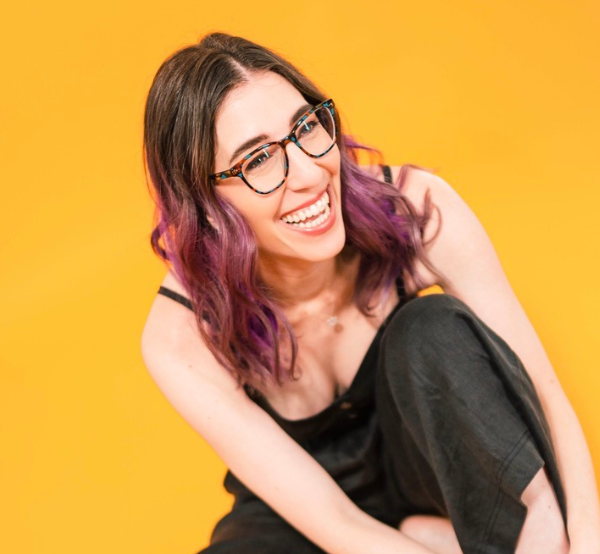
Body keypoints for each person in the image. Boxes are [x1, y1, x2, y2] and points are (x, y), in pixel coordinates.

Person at [140, 32, 598, 554]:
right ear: (203, 204)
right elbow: (337, 525)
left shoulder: (418, 210)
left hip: (444, 471)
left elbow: (543, 396)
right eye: (259, 159)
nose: (310, 173)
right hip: (304, 509)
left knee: (432, 329)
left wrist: (588, 540)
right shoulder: (181, 337)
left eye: (306, 127)